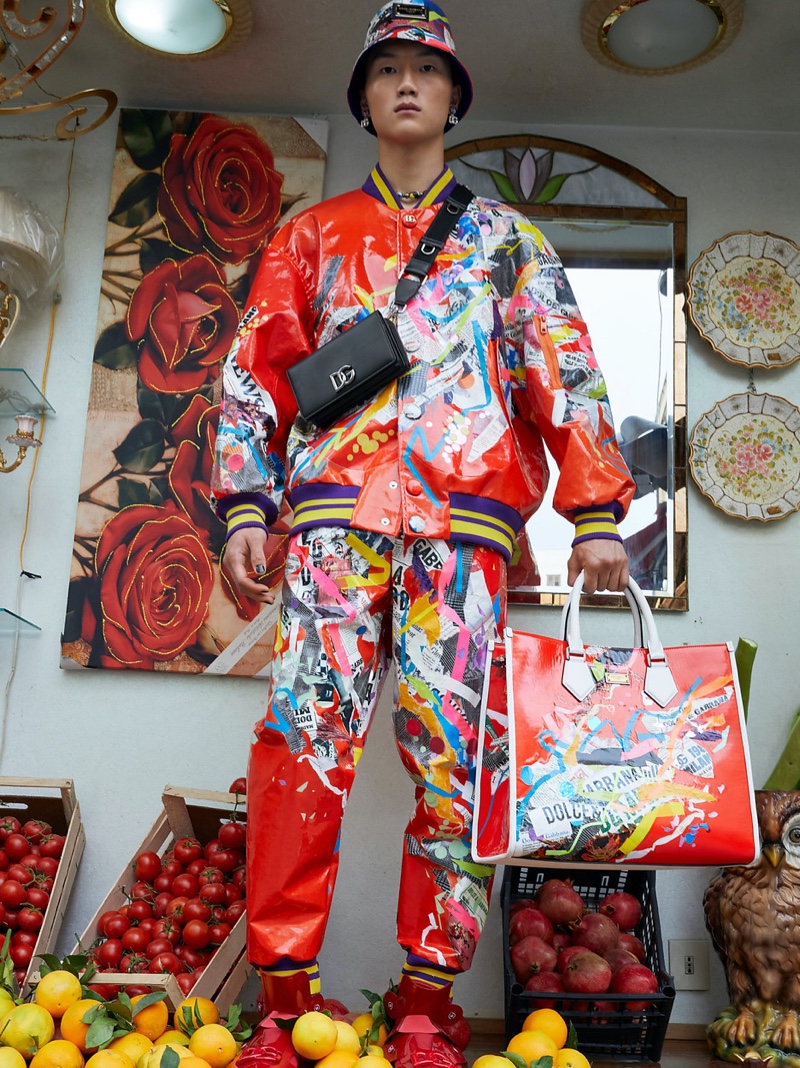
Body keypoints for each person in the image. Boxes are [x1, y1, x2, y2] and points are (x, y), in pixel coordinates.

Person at [210, 4, 634, 1067]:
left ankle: (426, 1005)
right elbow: (253, 379)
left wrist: (593, 514)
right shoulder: (308, 238)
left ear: (454, 97)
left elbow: (564, 372)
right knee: (300, 749)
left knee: (460, 766)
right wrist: (246, 506)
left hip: (464, 536)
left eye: (426, 71)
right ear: (362, 99)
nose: (406, 85)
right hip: (331, 529)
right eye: (386, 70)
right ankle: (281, 1000)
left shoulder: (507, 244)